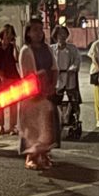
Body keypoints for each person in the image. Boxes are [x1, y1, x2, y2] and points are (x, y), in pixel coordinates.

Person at [19, 17, 58, 170]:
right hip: (32, 96)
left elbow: (54, 68)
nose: (39, 33)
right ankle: (31, 157)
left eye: (41, 29)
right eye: (35, 30)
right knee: (33, 127)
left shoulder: (47, 49)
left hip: (47, 93)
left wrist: (52, 86)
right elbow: (27, 75)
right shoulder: (26, 50)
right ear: (28, 33)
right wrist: (38, 89)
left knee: (47, 126)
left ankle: (44, 154)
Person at [0, 24, 20, 135]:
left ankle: (12, 126)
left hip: (13, 77)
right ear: (2, 34)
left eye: (11, 33)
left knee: (13, 103)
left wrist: (15, 46)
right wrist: (1, 76)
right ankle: (1, 125)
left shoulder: (12, 47)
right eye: (7, 33)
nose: (9, 35)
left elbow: (17, 59)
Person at [50, 25, 82, 137]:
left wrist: (73, 68)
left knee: (73, 99)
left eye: (64, 34)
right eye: (60, 34)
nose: (62, 36)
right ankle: (58, 119)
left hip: (69, 77)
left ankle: (73, 118)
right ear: (56, 36)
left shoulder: (72, 49)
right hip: (57, 78)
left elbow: (77, 60)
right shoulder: (52, 49)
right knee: (56, 101)